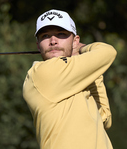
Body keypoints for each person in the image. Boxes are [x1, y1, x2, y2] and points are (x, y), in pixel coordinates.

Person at [23, 9, 117, 149]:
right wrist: (84, 49)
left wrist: (91, 69)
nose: (53, 41)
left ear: (74, 41)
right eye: (45, 36)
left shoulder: (75, 78)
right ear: (38, 45)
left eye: (61, 34)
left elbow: (105, 119)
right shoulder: (42, 73)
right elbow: (108, 52)